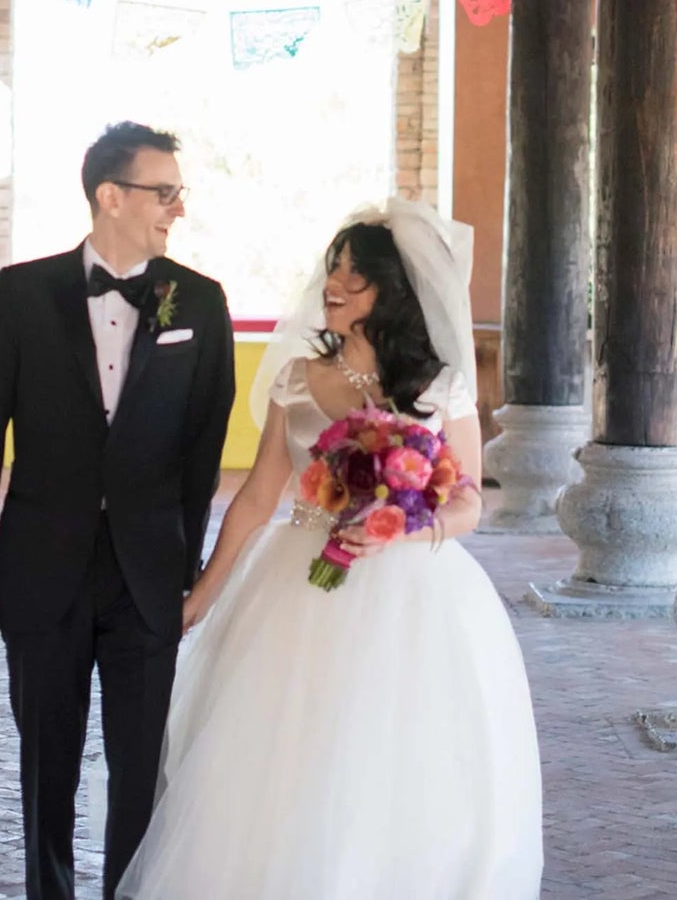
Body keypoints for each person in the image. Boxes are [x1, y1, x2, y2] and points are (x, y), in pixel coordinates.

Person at [118, 199, 543, 899]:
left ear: (395, 292)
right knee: (286, 758)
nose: (335, 281)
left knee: (392, 760)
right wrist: (201, 593)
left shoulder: (439, 387)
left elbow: (467, 501)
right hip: (298, 587)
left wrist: (398, 528)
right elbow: (257, 495)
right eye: (333, 266)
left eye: (357, 273)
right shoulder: (294, 377)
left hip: (414, 595)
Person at [0, 121, 236, 900]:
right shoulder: (20, 293)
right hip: (39, 569)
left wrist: (182, 568)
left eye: (178, 191)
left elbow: (200, 456)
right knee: (47, 764)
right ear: (110, 196)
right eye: (163, 190)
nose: (176, 207)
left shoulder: (200, 304)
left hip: (147, 578)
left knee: (139, 769)